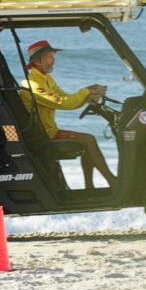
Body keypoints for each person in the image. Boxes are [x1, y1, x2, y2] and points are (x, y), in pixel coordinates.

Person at [20, 39, 119, 189]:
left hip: (49, 131)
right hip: (44, 135)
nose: (53, 61)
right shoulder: (32, 84)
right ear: (38, 60)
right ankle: (112, 181)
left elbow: (68, 99)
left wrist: (87, 98)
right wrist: (87, 91)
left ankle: (90, 188)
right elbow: (63, 103)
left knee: (88, 142)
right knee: (89, 140)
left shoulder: (47, 80)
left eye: (53, 57)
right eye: (49, 57)